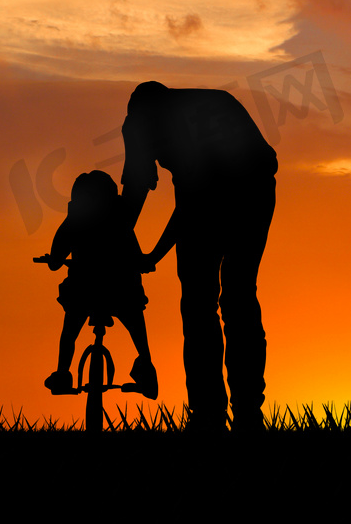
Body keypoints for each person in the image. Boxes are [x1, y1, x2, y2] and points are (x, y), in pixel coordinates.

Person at [124, 81, 277, 432]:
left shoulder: (192, 122)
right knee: (197, 303)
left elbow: (191, 206)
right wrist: (118, 243)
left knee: (236, 296)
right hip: (207, 195)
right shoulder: (138, 124)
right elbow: (135, 185)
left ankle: (246, 413)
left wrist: (153, 255)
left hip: (249, 194)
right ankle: (208, 414)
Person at [41, 169, 158, 400]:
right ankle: (146, 366)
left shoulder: (74, 221)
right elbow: (135, 253)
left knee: (70, 329)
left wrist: (54, 259)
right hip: (121, 288)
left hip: (84, 289)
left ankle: (63, 372)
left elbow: (56, 257)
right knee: (135, 321)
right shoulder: (120, 221)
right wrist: (142, 263)